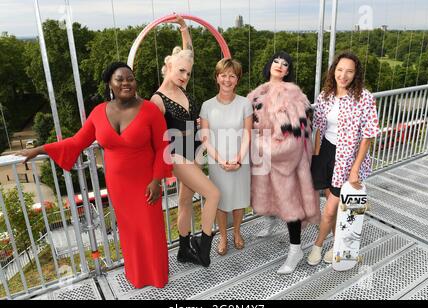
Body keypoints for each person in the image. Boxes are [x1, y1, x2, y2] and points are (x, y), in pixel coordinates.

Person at [16, 62, 173, 289]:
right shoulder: (99, 112)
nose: (126, 83)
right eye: (120, 79)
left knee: (151, 230)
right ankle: (137, 276)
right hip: (119, 186)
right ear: (110, 83)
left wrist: (157, 180)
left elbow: (162, 148)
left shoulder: (150, 110)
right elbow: (77, 141)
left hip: (147, 183)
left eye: (130, 78)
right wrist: (40, 149)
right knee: (129, 232)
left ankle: (157, 276)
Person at [151, 15, 220, 268]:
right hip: (177, 156)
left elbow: (188, 52)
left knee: (184, 202)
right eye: (180, 70)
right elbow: (156, 138)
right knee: (213, 194)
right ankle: (204, 247)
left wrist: (183, 28)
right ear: (167, 67)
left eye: (188, 73)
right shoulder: (157, 100)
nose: (185, 76)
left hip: (194, 152)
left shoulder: (181, 91)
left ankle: (183, 249)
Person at [248, 51, 320, 274]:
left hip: (285, 158)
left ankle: (295, 250)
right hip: (265, 157)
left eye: (285, 64)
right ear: (269, 65)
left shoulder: (292, 94)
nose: (279, 65)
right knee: (269, 195)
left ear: (288, 71)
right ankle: (270, 221)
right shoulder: (258, 93)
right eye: (276, 61)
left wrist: (262, 147)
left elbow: (297, 134)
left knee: (291, 205)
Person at [307, 52, 379, 266]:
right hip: (326, 153)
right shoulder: (326, 95)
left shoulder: (364, 98)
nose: (343, 75)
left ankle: (318, 245)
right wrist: (316, 158)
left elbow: (368, 135)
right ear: (334, 71)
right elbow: (319, 127)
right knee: (334, 204)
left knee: (330, 207)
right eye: (340, 70)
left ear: (356, 74)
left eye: (349, 71)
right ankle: (338, 242)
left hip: (347, 158)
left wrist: (355, 169)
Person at [200, 58, 253, 256]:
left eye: (232, 75)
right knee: (220, 202)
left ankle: (237, 232)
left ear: (237, 79)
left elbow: (248, 133)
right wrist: (221, 160)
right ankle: (223, 236)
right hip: (217, 161)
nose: (227, 79)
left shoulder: (245, 104)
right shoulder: (207, 106)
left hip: (241, 159)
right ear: (217, 78)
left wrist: (239, 158)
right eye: (223, 75)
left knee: (238, 200)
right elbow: (205, 138)